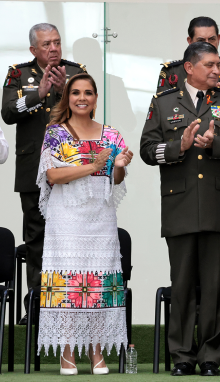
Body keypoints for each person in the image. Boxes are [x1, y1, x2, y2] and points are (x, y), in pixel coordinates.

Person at [140, 41, 220, 377]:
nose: (217, 71)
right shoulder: (163, 103)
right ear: (189, 68)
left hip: (219, 205)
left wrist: (216, 144)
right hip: (181, 204)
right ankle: (181, 356)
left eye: (218, 65)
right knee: (182, 284)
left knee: (216, 284)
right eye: (210, 65)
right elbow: (148, 150)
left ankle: (209, 357)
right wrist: (181, 145)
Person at [36, 73, 131, 375]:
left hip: (100, 218)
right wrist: (92, 165)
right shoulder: (56, 133)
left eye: (88, 93)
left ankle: (97, 352)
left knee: (99, 284)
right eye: (75, 92)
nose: (82, 98)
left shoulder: (111, 135)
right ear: (67, 98)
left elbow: (115, 180)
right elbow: (52, 176)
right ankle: (67, 353)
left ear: (95, 98)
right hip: (66, 218)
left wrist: (118, 167)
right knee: (69, 283)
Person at [1, 23, 87, 325]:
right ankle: (38, 307)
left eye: (57, 43)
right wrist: (38, 94)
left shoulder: (75, 71)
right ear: (33, 50)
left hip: (70, 168)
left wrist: (65, 90)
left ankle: (69, 304)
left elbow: (88, 111)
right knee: (36, 238)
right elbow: (8, 113)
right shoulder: (18, 73)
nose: (53, 49)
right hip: (32, 169)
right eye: (46, 44)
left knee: (70, 237)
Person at [157, 16, 220, 130]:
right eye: (201, 40)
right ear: (190, 41)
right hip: (180, 141)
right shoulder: (172, 71)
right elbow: (162, 113)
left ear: (218, 39)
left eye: (212, 39)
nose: (207, 44)